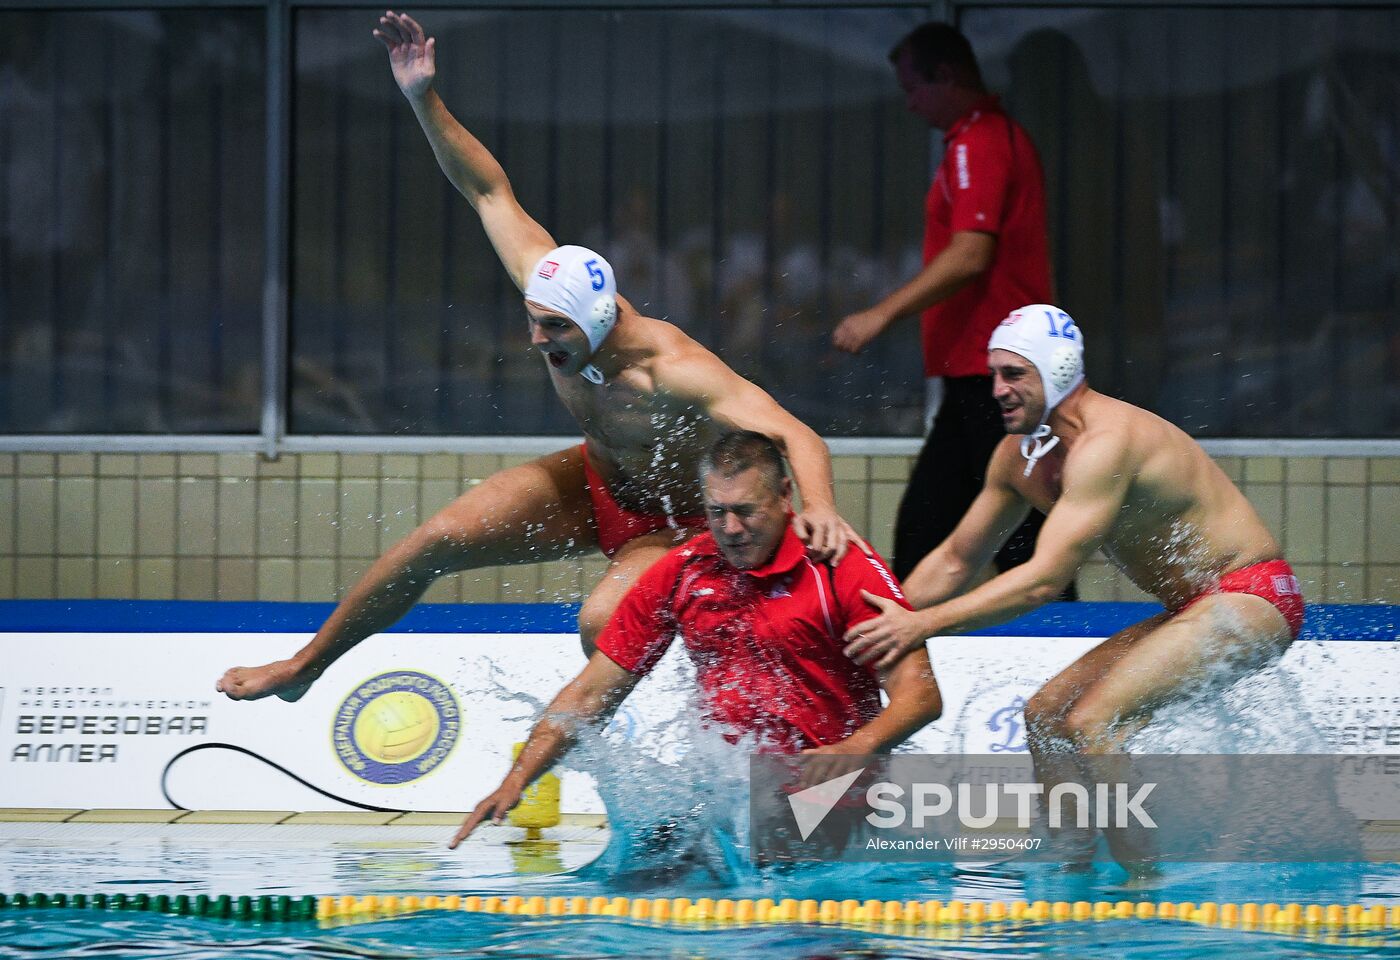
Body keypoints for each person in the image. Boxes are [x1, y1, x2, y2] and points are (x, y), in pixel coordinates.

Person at [216, 11, 855, 703]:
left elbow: (797, 433)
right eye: (534, 321)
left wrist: (819, 506)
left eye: (553, 329)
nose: (536, 340)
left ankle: (660, 752)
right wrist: (421, 98)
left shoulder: (674, 369)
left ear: (600, 321)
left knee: (602, 622)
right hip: (597, 485)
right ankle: (305, 666)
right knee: (436, 540)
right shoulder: (549, 285)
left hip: (681, 520)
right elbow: (487, 188)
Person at [842, 304, 1303, 870]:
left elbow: (1043, 582)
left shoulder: (1108, 443)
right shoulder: (1019, 457)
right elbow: (959, 558)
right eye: (994, 375)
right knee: (1045, 718)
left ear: (1057, 371)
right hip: (1197, 607)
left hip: (1253, 595)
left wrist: (920, 624)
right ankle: (1072, 873)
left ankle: (1145, 885)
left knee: (1092, 722)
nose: (998, 390)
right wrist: (883, 616)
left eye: (1015, 374)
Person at [450, 431, 942, 849]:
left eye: (745, 511)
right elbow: (589, 694)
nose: (731, 528)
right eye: (716, 511)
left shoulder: (840, 567)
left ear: (785, 495)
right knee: (649, 863)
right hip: (734, 796)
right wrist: (517, 779)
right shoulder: (684, 572)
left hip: (835, 795)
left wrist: (857, 747)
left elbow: (921, 695)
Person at [832, 22, 1063, 590]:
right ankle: (904, 647)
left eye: (914, 88)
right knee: (930, 530)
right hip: (974, 380)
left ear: (946, 75)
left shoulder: (979, 140)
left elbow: (969, 254)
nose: (910, 104)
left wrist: (880, 313)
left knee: (1023, 535)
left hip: (994, 376)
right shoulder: (979, 140)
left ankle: (1063, 645)